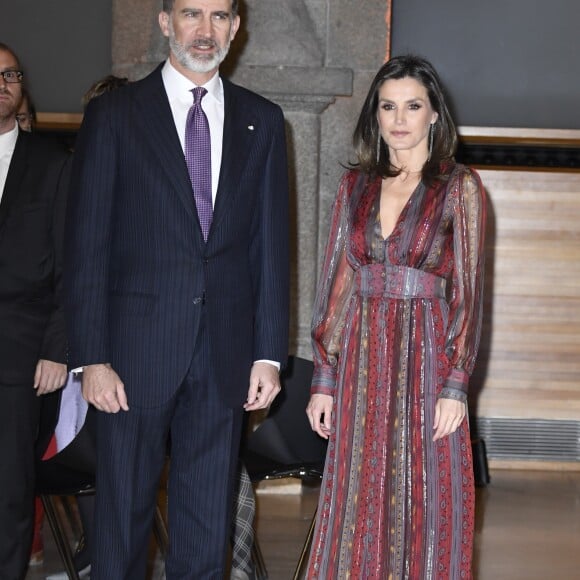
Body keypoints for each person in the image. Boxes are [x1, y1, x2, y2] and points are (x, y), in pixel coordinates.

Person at [64, 0, 290, 577]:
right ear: (166, 22)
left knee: (206, 526)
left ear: (237, 28)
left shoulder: (262, 121)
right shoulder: (115, 116)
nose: (205, 30)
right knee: (120, 526)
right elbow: (86, 246)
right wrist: (91, 357)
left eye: (219, 17)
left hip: (224, 357)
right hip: (131, 359)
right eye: (192, 14)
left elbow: (270, 248)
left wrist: (267, 353)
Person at [306, 54, 486, 579]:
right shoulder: (354, 187)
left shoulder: (459, 186)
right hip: (362, 359)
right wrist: (324, 377)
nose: (399, 118)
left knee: (428, 499)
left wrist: (456, 382)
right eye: (388, 106)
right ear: (375, 115)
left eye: (413, 106)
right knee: (358, 498)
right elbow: (337, 284)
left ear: (434, 115)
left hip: (429, 359)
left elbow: (469, 292)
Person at [0, 42, 69, 579]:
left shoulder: (51, 162)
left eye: (11, 74)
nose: (3, 82)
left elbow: (73, 266)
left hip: (19, 358)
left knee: (9, 493)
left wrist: (56, 349)